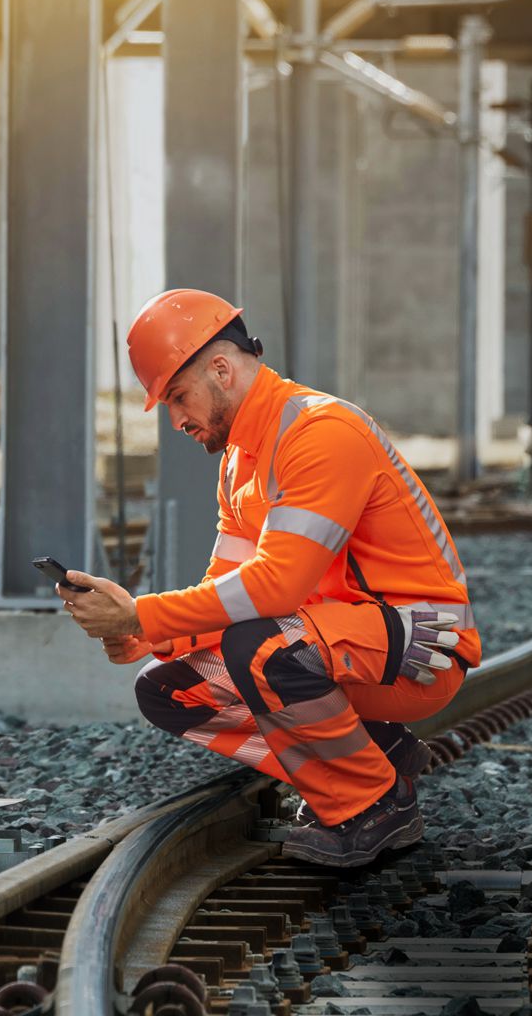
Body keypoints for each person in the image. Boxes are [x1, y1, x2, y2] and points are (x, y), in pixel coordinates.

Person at [59, 288, 481, 868]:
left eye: (178, 398)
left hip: (420, 647)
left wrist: (142, 612)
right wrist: (150, 638)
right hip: (337, 644)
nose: (177, 420)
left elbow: (274, 588)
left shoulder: (322, 433)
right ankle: (371, 756)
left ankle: (373, 804)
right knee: (167, 688)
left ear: (223, 369)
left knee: (260, 648)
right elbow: (227, 584)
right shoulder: (240, 462)